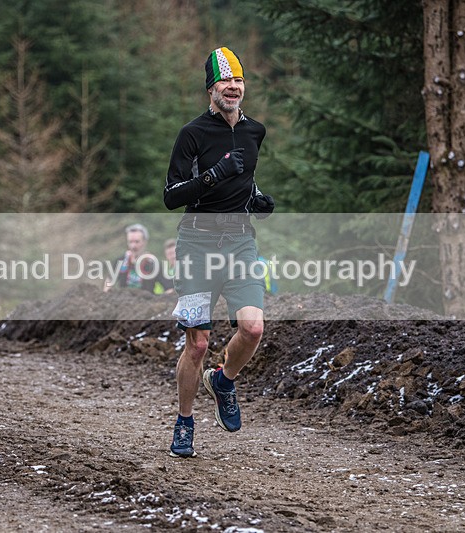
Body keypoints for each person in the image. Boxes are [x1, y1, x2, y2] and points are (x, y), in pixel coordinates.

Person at [163, 46, 275, 457]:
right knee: (197, 343)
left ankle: (223, 380)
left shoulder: (254, 131)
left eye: (238, 80)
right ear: (211, 89)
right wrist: (211, 176)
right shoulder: (192, 134)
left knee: (253, 329)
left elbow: (244, 184)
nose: (232, 87)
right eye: (224, 81)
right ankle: (185, 421)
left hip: (241, 243)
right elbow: (171, 195)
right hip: (196, 245)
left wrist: (258, 201)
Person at [103, 223, 159, 293]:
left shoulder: (153, 263)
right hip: (124, 300)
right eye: (130, 242)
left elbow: (168, 287)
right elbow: (109, 281)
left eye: (137, 242)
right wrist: (105, 294)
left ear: (145, 242)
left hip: (146, 301)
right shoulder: (121, 261)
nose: (133, 246)